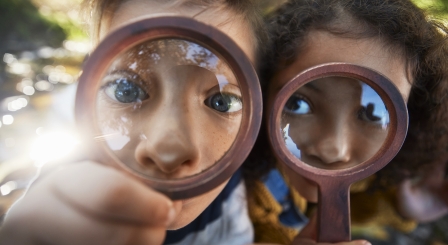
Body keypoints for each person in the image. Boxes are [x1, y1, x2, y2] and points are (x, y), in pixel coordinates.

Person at [244, 0, 448, 244]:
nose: (334, 150)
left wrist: (401, 206)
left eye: (372, 114)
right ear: (261, 89)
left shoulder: (365, 171)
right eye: (298, 104)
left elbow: (338, 207)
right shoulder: (231, 198)